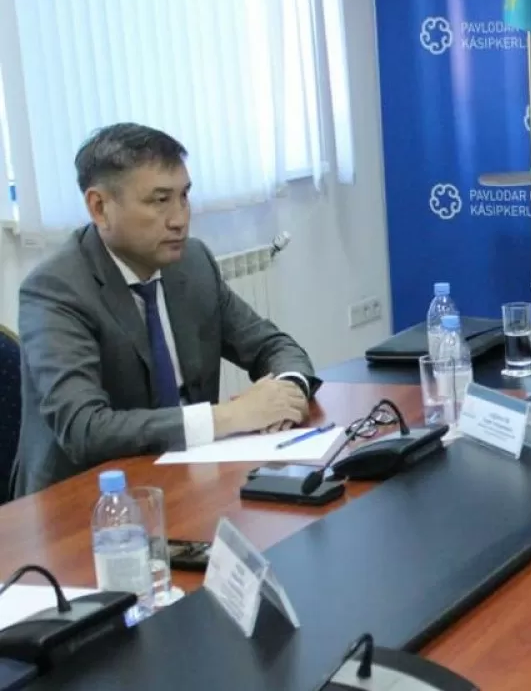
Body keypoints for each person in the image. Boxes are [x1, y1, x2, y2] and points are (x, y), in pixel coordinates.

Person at [12, 123, 320, 497]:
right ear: (100, 207)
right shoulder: (56, 290)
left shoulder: (192, 262)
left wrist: (287, 391)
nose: (179, 219)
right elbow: (85, 429)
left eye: (184, 196)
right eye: (159, 200)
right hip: (84, 499)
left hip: (189, 478)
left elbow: (272, 346)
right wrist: (227, 417)